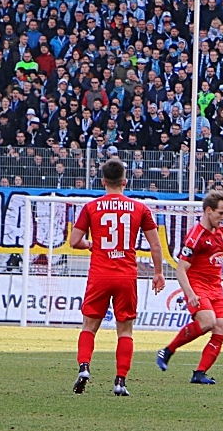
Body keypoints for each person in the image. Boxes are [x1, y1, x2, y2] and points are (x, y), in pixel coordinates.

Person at [69, 158, 166, 396]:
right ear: (125, 181)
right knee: (125, 331)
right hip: (125, 275)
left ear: (103, 181)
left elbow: (74, 241)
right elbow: (155, 245)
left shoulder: (91, 207)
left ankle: (84, 367)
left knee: (89, 327)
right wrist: (158, 273)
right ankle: (120, 381)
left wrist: (91, 244)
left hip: (100, 274)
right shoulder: (140, 208)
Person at [156, 191, 223, 384]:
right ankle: (168, 350)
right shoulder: (195, 236)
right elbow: (181, 269)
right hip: (198, 286)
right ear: (208, 210)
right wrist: (190, 294)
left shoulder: (221, 232)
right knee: (207, 321)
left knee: (221, 325)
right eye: (220, 213)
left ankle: (199, 373)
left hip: (216, 288)